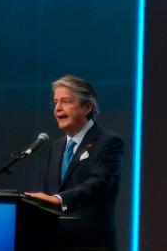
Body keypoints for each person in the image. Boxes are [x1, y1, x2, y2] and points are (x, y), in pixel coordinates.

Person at [26, 75, 124, 250]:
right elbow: (48, 194)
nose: (58, 108)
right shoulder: (56, 147)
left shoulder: (108, 142)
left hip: (90, 244)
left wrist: (58, 199)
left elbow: (99, 184)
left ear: (87, 107)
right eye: (55, 102)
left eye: (65, 102)